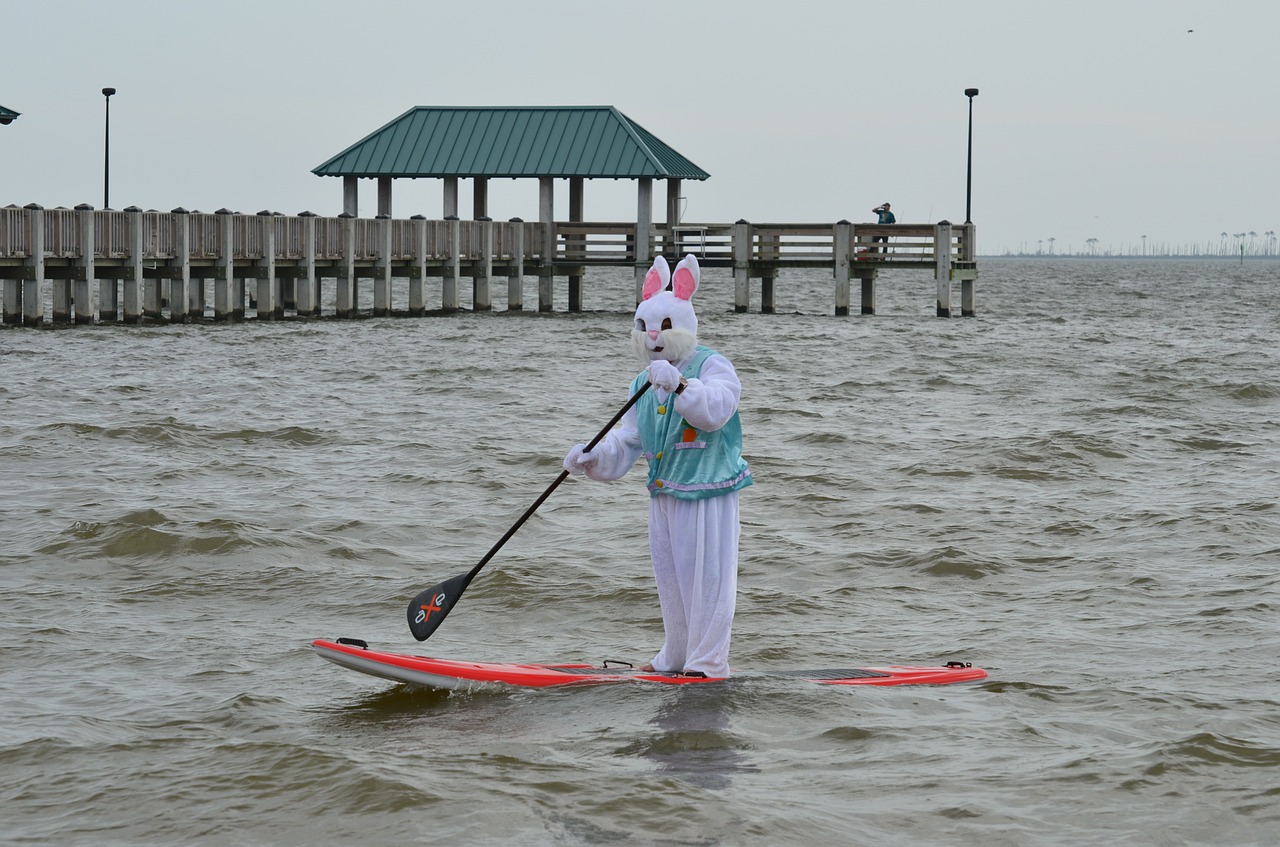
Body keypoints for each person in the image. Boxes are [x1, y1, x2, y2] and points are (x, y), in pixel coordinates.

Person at [563, 254, 751, 679]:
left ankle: (707, 665)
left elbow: (717, 410)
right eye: (646, 328)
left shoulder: (712, 364)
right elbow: (629, 440)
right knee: (671, 581)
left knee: (708, 580)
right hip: (664, 490)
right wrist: (593, 457)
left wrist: (681, 384)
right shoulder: (642, 381)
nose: (653, 337)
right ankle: (676, 657)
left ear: (682, 324)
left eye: (664, 327)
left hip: (709, 488)